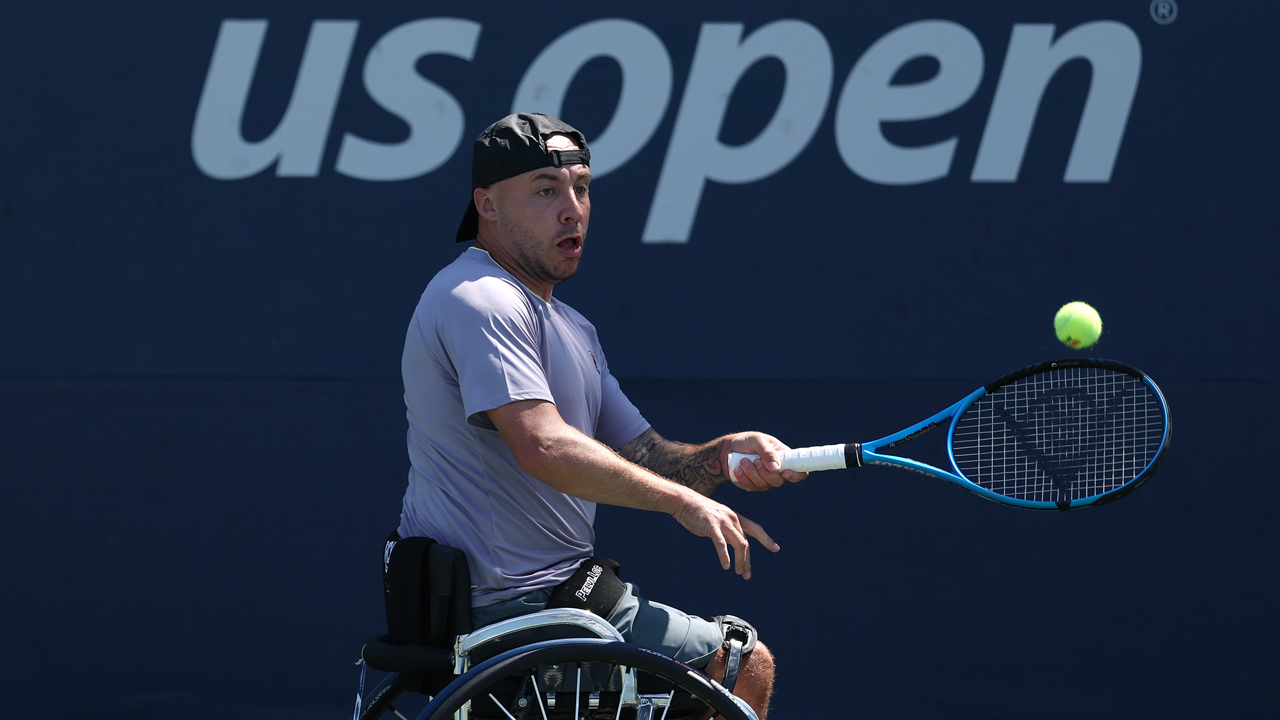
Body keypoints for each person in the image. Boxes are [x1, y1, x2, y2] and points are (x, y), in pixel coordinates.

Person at [396, 112, 805, 718]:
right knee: (742, 664)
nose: (572, 209)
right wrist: (682, 503)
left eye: (581, 188)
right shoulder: (477, 298)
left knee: (737, 662)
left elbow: (646, 455)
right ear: (487, 204)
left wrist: (720, 457)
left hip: (566, 596)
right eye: (544, 190)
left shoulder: (573, 328)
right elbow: (544, 445)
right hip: (503, 611)